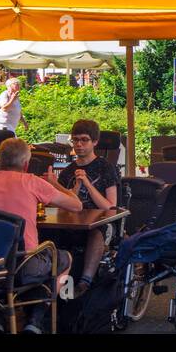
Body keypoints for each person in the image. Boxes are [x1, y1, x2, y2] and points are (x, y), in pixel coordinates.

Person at [0, 138, 82, 333]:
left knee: (21, 268)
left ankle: (1, 320)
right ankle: (35, 321)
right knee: (64, 258)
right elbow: (76, 205)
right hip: (23, 266)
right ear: (26, 164)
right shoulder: (31, 182)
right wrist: (55, 184)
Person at [44, 119, 119, 293]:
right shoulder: (67, 171)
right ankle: (57, 285)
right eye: (75, 140)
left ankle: (85, 281)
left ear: (95, 142)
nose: (79, 144)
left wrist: (87, 183)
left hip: (100, 224)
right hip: (71, 223)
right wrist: (56, 186)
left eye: (84, 140)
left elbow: (110, 207)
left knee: (96, 233)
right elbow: (63, 204)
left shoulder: (106, 168)